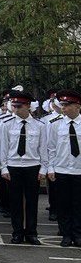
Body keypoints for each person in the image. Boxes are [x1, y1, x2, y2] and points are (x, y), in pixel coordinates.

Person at [0, 89, 46, 245]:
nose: (16, 109)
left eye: (19, 106)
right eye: (14, 106)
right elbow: (3, 148)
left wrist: (43, 169)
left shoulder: (40, 126)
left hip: (32, 166)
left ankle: (31, 232)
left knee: (32, 201)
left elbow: (43, 148)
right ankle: (17, 232)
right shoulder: (6, 124)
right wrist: (4, 168)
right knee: (15, 201)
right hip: (13, 166)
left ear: (28, 106)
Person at [44, 90, 81, 247]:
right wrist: (50, 168)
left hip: (79, 171)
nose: (63, 108)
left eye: (67, 105)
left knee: (78, 205)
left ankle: (78, 234)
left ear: (77, 106)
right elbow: (50, 148)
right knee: (63, 205)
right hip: (62, 170)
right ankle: (66, 234)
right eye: (63, 105)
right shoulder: (55, 124)